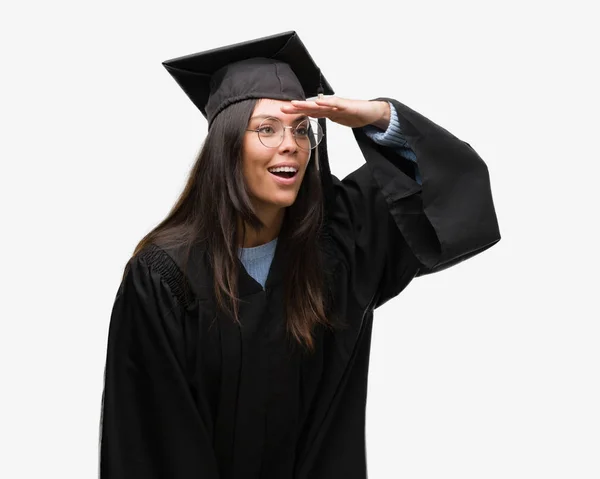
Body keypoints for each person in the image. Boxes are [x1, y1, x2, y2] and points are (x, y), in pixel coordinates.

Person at [98, 31, 500, 479]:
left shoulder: (341, 242)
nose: (289, 143)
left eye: (301, 129)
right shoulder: (165, 278)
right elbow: (150, 445)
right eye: (266, 129)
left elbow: (454, 186)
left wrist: (379, 116)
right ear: (227, 147)